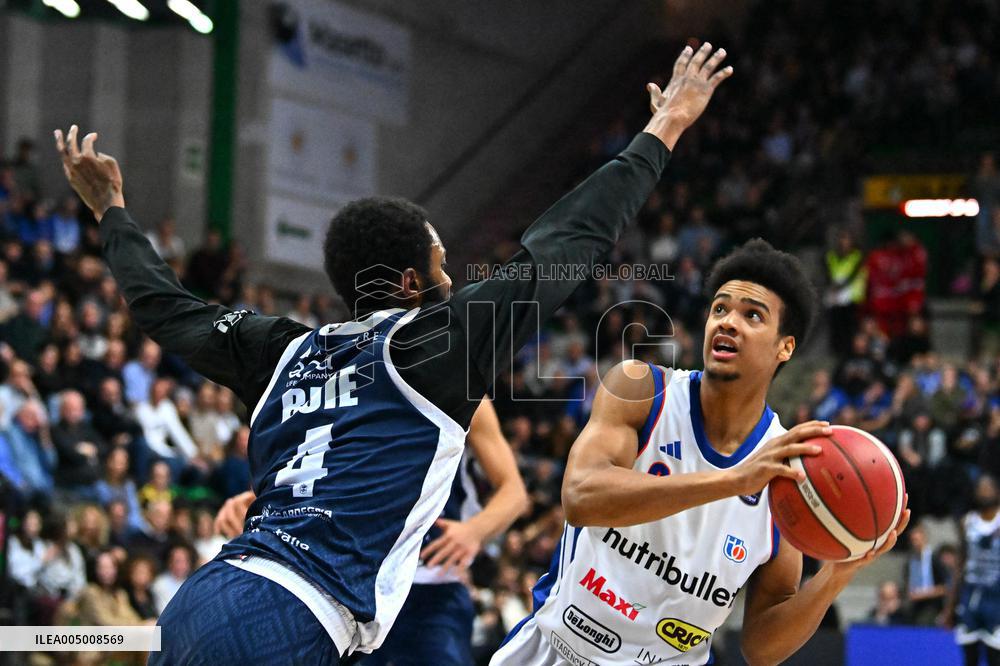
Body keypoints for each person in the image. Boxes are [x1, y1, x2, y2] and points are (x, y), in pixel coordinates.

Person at [55, 40, 731, 663]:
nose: (451, 278)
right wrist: (665, 126)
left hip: (204, 597)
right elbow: (570, 237)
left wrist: (112, 211)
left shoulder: (278, 348)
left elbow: (164, 308)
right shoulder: (438, 346)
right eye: (441, 265)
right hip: (291, 615)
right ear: (411, 282)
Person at [491, 239, 910, 665]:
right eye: (720, 308)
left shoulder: (790, 468)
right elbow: (581, 498)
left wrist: (837, 575)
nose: (728, 322)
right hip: (559, 650)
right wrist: (733, 481)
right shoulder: (642, 389)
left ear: (785, 347)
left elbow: (762, 648)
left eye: (752, 315)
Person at [357, 400, 529, 665]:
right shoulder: (359, 381)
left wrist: (474, 530)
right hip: (362, 581)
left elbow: (514, 492)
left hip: (435, 587)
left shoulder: (469, 396)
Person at [947, 475, 1000, 666]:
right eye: (980, 487)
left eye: (988, 487)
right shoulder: (968, 522)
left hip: (996, 597)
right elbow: (960, 564)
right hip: (971, 595)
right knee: (969, 658)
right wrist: (949, 607)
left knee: (995, 657)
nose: (983, 491)